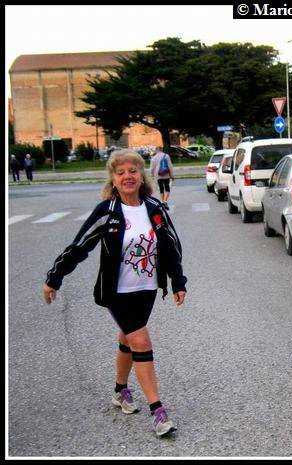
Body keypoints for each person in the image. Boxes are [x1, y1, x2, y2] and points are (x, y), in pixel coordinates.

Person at [43, 150, 188, 437]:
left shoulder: (154, 208)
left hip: (146, 289)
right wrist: (55, 277)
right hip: (116, 291)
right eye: (120, 172)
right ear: (113, 179)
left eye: (132, 171)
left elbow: (171, 245)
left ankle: (120, 390)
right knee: (140, 341)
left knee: (127, 337)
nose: (127, 177)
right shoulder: (107, 211)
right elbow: (79, 246)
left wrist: (178, 281)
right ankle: (158, 411)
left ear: (141, 176)